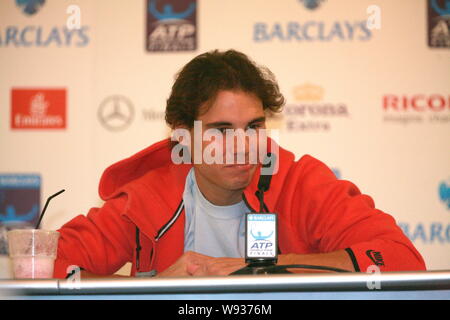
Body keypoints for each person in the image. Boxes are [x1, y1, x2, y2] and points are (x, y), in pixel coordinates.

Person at [53, 49, 425, 279]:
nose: (243, 146)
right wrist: (156, 286)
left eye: (254, 127)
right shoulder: (146, 197)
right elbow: (46, 267)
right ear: (184, 137)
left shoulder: (301, 182)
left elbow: (403, 261)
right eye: (222, 130)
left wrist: (272, 269)